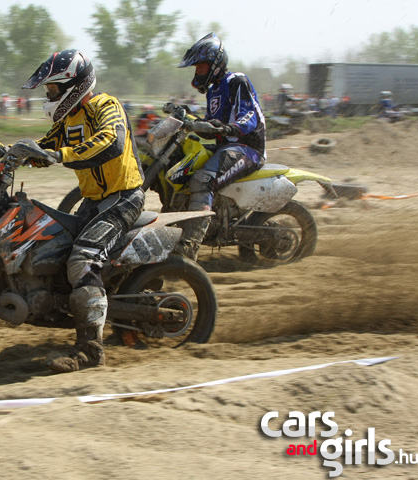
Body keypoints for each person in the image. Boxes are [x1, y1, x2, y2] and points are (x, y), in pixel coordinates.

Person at [19, 49, 145, 373]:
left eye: (52, 89)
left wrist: (62, 155)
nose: (49, 96)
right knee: (55, 250)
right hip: (92, 201)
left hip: (122, 198)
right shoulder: (68, 119)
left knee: (82, 261)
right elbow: (43, 148)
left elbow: (111, 141)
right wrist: (9, 152)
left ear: (72, 86)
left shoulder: (105, 106)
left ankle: (91, 352)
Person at [175, 32, 266, 260]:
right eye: (196, 68)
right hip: (226, 148)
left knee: (203, 179)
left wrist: (229, 128)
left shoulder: (237, 81)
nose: (197, 71)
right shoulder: (214, 90)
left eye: (201, 66)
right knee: (182, 169)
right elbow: (211, 123)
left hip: (247, 148)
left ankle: (189, 247)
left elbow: (249, 116)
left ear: (215, 64)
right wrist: (187, 117)